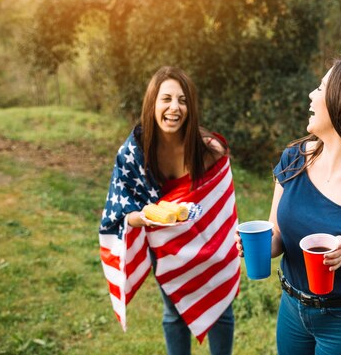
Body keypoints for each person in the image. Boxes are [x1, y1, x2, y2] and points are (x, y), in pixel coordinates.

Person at [236, 57, 341, 355]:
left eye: (320, 88)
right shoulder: (294, 159)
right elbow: (277, 234)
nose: (312, 96)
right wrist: (256, 244)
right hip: (292, 310)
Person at [98, 66, 240, 355]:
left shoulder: (209, 149)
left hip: (210, 242)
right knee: (173, 313)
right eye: (166, 99)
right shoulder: (135, 153)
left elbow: (221, 202)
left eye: (182, 100)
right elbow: (123, 210)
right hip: (166, 246)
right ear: (152, 103)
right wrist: (145, 216)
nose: (174, 107)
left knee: (221, 308)